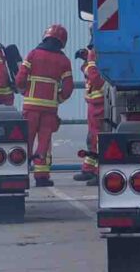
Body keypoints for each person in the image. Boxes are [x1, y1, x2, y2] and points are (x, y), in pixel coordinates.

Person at [15, 24, 75, 188]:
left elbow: (20, 79)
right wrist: (57, 100)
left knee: (25, 140)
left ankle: (19, 174)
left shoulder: (33, 55)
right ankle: (41, 177)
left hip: (30, 107)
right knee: (44, 142)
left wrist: (23, 91)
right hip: (49, 109)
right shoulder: (64, 61)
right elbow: (68, 88)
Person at [74, 42, 117, 184]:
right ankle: (89, 169)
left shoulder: (96, 51)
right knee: (92, 138)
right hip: (94, 102)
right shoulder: (95, 50)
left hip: (100, 103)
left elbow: (96, 79)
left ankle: (100, 173)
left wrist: (88, 63)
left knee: (99, 138)